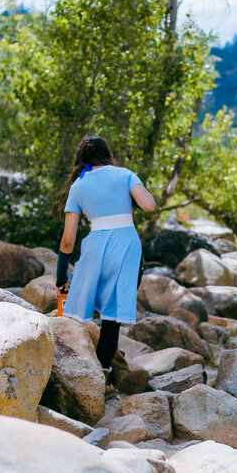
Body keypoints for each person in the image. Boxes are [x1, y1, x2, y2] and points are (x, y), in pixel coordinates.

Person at [53, 136, 156, 379]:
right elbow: (149, 205)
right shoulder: (125, 174)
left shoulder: (78, 186)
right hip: (127, 247)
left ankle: (69, 362)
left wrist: (60, 277)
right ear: (107, 155)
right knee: (112, 316)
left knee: (77, 304)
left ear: (82, 159)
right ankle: (104, 371)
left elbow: (68, 240)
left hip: (96, 247)